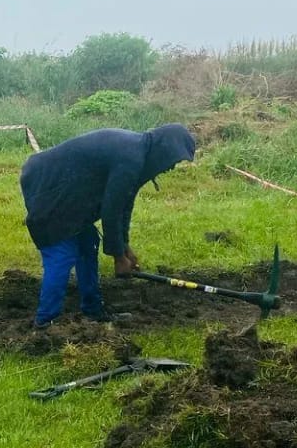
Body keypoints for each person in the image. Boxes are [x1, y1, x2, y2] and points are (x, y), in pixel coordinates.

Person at [20, 124, 197, 328]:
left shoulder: (138, 155)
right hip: (47, 187)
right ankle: (45, 323)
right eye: (174, 160)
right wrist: (118, 258)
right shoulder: (131, 157)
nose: (171, 167)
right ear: (165, 150)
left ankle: (92, 310)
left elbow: (124, 203)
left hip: (71, 195)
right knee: (62, 253)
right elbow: (111, 211)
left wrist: (125, 247)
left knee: (88, 244)